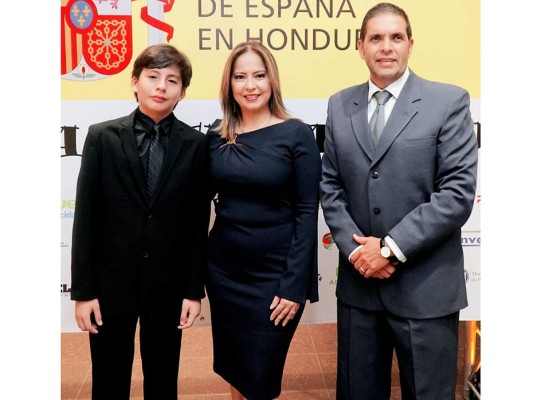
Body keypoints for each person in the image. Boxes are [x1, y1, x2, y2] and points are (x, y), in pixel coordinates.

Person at [320, 3, 478, 399]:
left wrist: (388, 249)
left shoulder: (448, 102)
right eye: (375, 38)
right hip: (360, 289)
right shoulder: (340, 105)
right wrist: (360, 254)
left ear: (410, 44)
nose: (385, 47)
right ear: (360, 46)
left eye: (395, 38)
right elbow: (331, 186)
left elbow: (457, 193)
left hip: (425, 290)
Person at [70, 43, 210, 400]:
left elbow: (197, 222)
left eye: (172, 80)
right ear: (135, 82)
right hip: (109, 284)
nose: (161, 86)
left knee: (163, 380)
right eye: (152, 77)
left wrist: (193, 290)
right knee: (108, 378)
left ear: (182, 92)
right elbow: (85, 217)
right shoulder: (102, 137)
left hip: (168, 283)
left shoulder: (195, 145)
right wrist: (83, 292)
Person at [205, 40, 322, 400]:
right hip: (224, 273)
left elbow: (306, 213)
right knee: (234, 367)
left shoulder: (297, 134)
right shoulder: (216, 134)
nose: (250, 85)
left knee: (260, 376)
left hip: (275, 277)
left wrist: (293, 285)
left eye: (259, 75)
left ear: (272, 81)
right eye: (240, 76)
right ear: (229, 83)